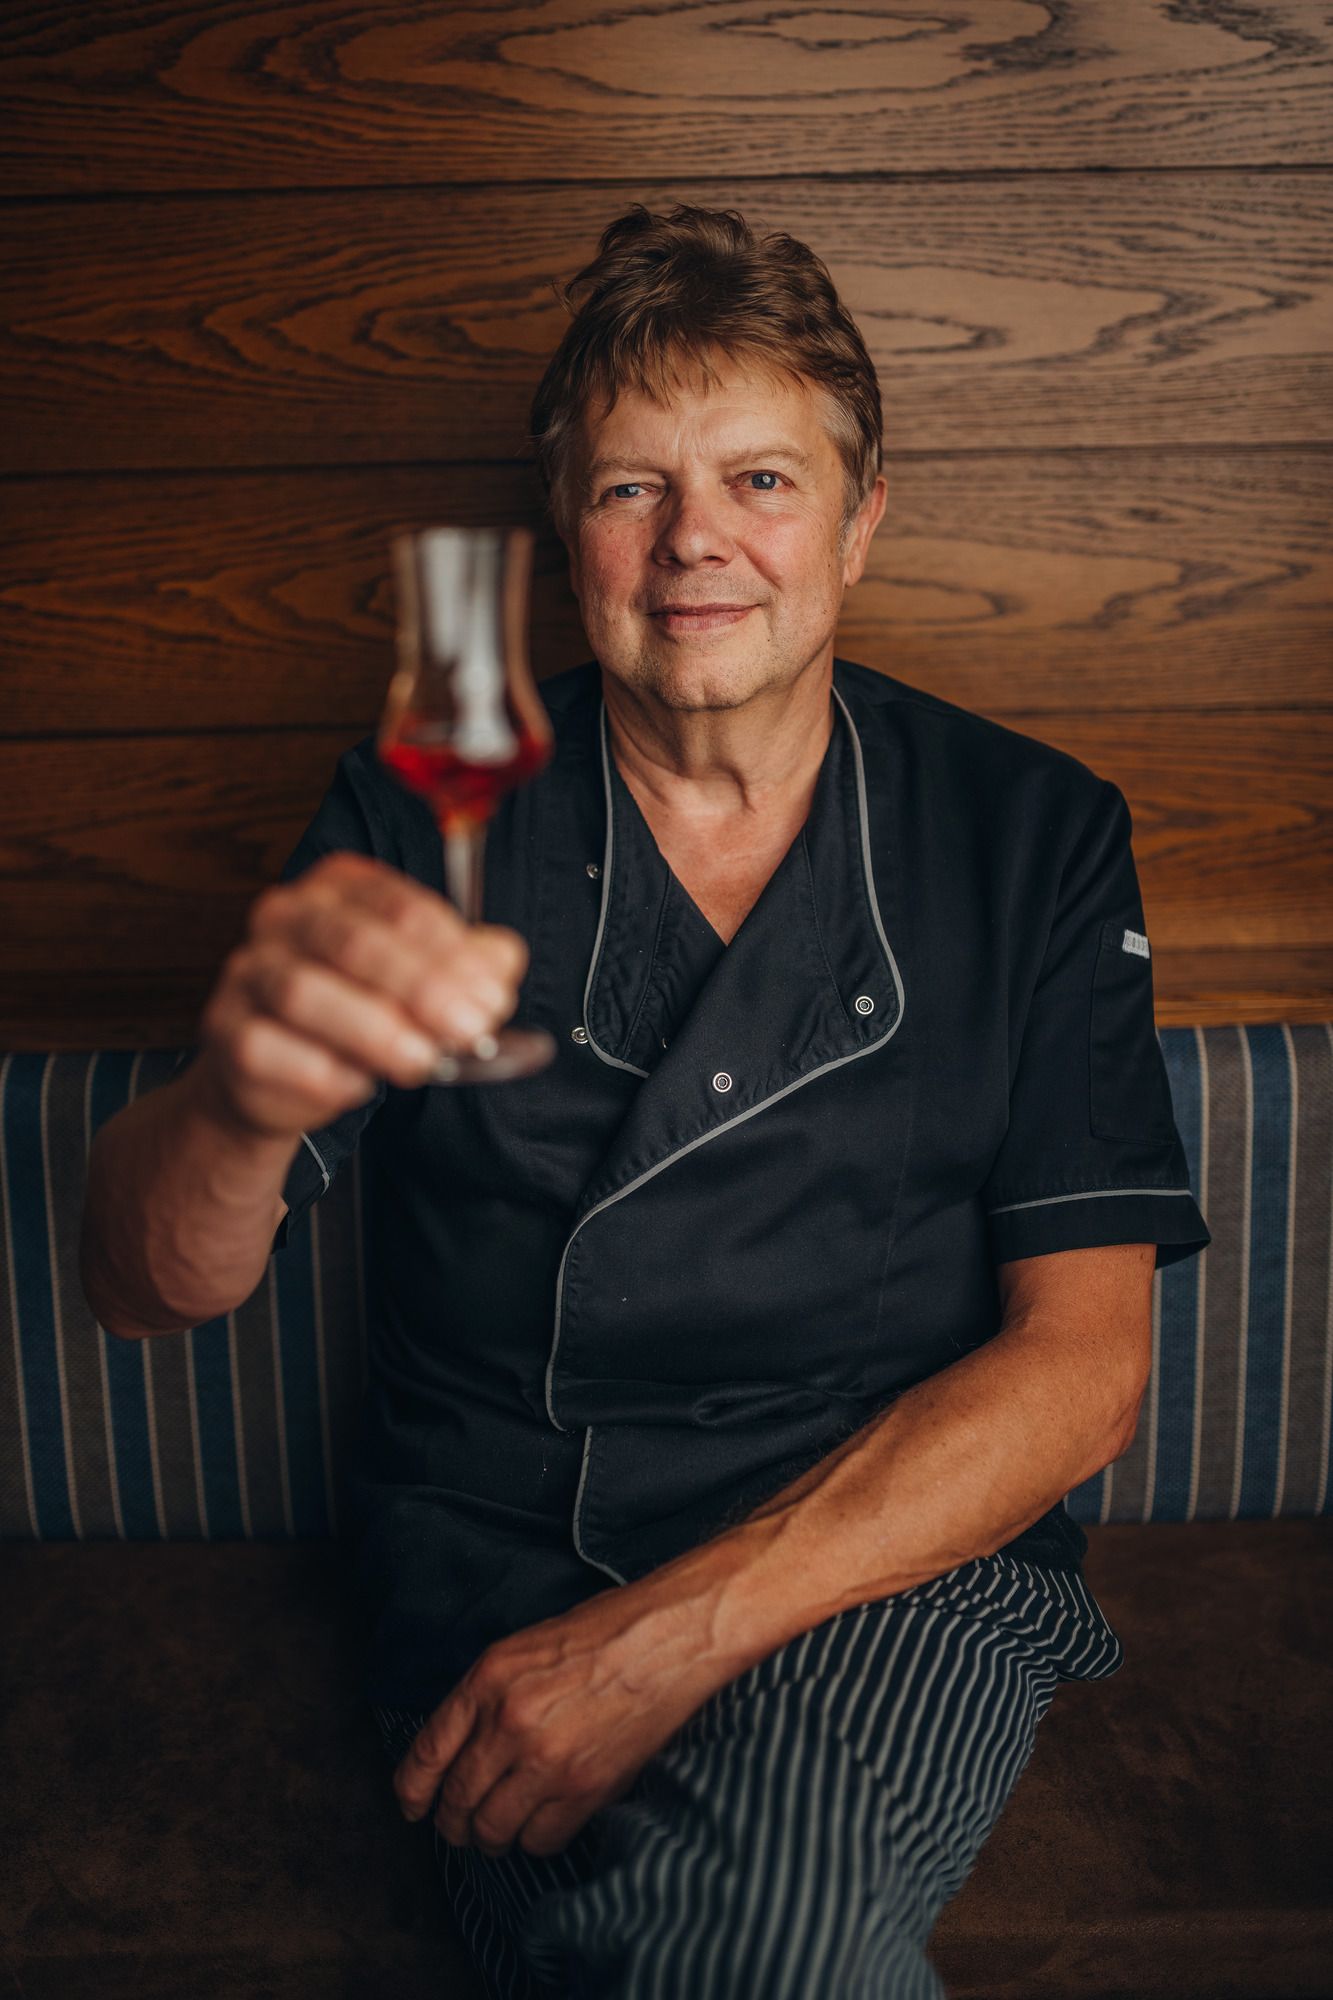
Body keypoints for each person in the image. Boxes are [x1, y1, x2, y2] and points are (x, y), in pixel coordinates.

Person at [81, 203, 1211, 1999]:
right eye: (629, 489)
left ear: (861, 517)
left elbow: (1081, 1375)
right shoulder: (420, 810)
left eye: (760, 479)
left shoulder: (1029, 833)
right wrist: (236, 1103)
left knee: (763, 1939)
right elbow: (141, 1284)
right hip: (501, 1581)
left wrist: (665, 1644)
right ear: (567, 535)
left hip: (883, 1569)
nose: (696, 541)